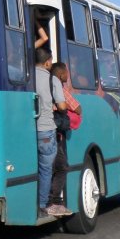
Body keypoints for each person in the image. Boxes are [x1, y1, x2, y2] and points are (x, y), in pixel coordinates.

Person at [35, 48, 71, 217]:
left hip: (27, 129)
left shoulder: (25, 76)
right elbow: (63, 107)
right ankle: (43, 205)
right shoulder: (52, 79)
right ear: (48, 62)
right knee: (46, 168)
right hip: (46, 129)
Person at [49, 63, 81, 213]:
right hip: (55, 133)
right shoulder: (61, 89)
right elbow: (77, 108)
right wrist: (65, 107)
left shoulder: (43, 86)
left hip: (46, 131)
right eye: (66, 72)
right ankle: (54, 201)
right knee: (62, 167)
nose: (68, 75)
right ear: (61, 75)